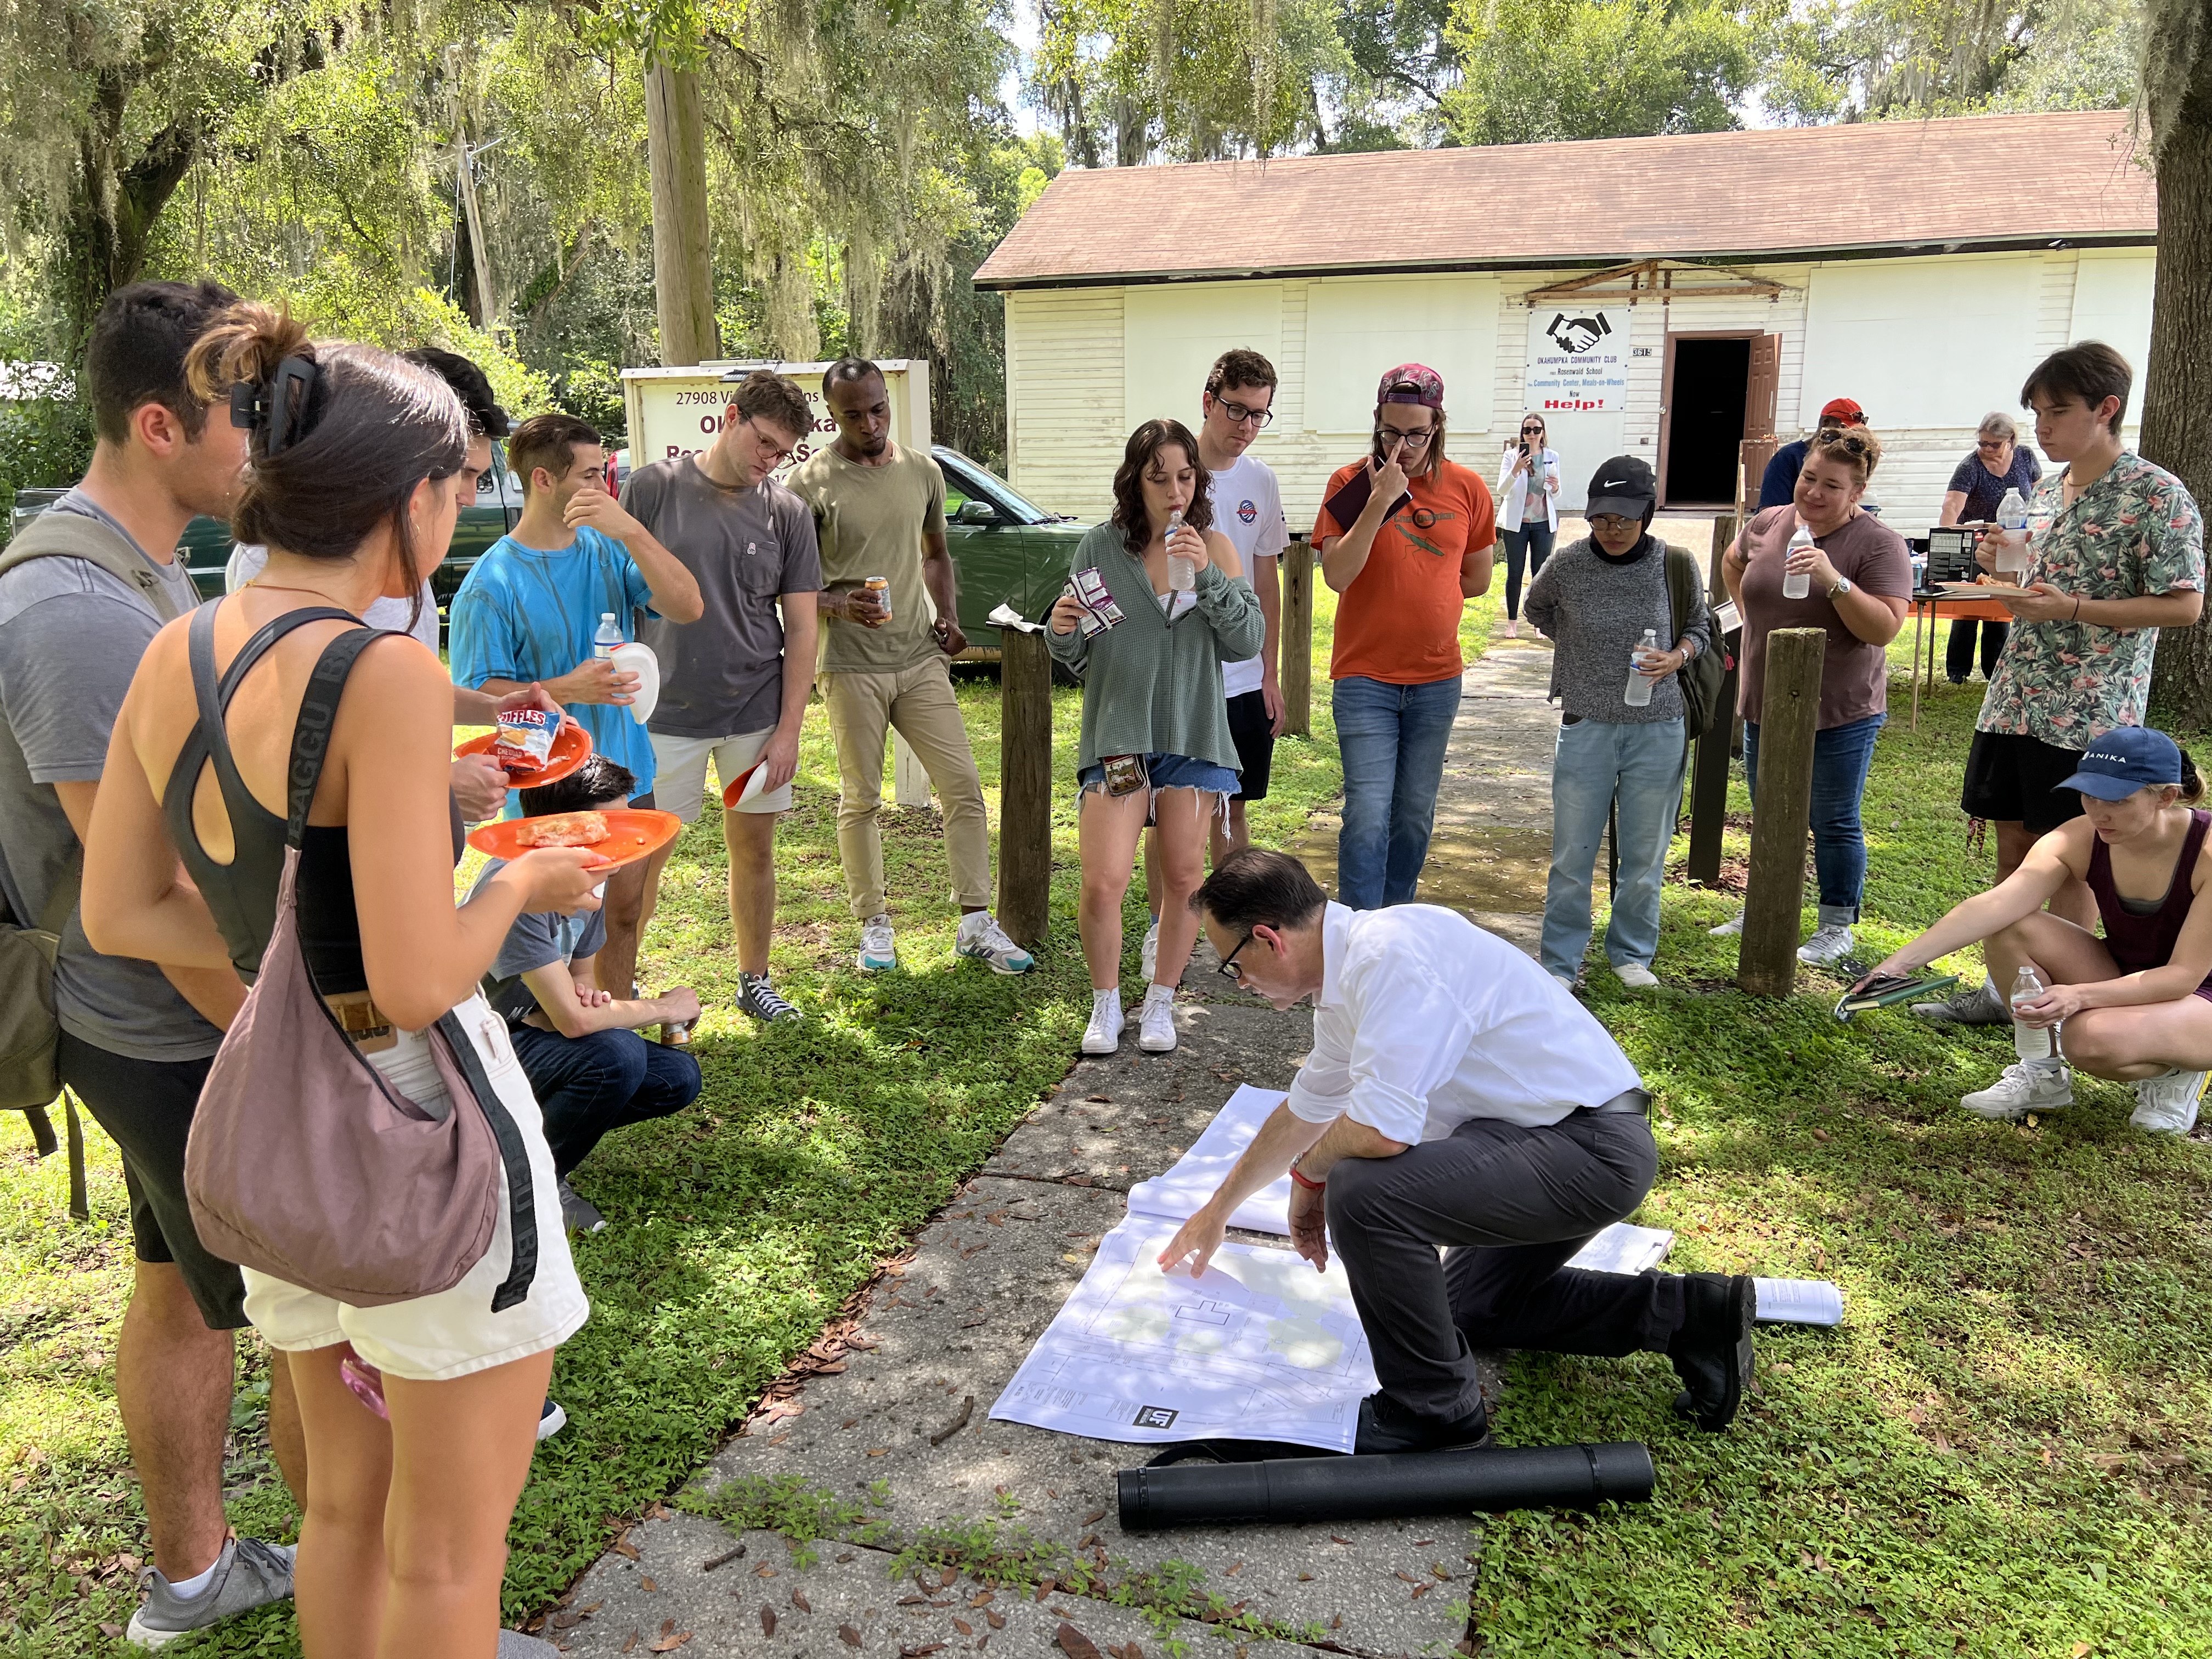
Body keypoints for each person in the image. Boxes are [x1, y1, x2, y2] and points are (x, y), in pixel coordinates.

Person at [81, 306, 595, 1659]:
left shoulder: (176, 647)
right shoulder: (387, 671)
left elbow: (122, 906)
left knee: (344, 1519)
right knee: (447, 1555)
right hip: (428, 1126)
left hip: (281, 1129)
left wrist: (281, 969)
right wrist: (523, 888)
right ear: (410, 501)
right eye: (458, 490)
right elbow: (423, 979)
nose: (460, 515)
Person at [0, 279, 306, 1645]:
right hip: (162, 1028)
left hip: (160, 1024)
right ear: (157, 425)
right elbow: (153, 890)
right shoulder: (75, 613)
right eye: (246, 418)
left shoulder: (135, 568)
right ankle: (364, 1593)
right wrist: (274, 1035)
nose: (266, 447)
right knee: (314, 1310)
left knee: (181, 1286)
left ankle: (191, 1577)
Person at [1159, 850, 1758, 1454]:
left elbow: (1380, 1132)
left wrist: (1310, 1180)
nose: (1241, 983)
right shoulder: (1347, 978)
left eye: (1232, 967)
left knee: (1366, 1195)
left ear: (1269, 939)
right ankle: (1688, 1314)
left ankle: (1434, 1414)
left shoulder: (1390, 957)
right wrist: (1217, 1210)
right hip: (1539, 1140)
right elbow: (1305, 1111)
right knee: (1464, 1308)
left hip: (1589, 1151)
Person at [1918, 342, 2205, 1027]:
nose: (2041, 428)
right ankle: (2007, 987)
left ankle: (2067, 998)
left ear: (2106, 410)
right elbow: (2032, 592)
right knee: (2017, 845)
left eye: (2057, 411)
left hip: (2088, 712)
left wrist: (2073, 608)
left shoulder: (2155, 495)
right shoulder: (2044, 492)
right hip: (2016, 697)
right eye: (2036, 413)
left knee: (2076, 855)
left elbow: (2185, 605)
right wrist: (2001, 573)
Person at [786, 358, 1031, 975]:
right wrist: (839, 603)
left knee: (963, 788)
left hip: (918, 656)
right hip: (848, 664)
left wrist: (949, 617)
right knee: (861, 797)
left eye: (877, 409)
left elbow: (937, 554)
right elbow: (781, 588)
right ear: (831, 414)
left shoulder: (922, 471)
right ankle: (873, 925)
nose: (868, 423)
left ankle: (976, 921)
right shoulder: (808, 484)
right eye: (852, 414)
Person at [450, 411, 704, 998]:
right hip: (546, 786)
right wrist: (566, 689)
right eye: (591, 475)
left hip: (625, 770)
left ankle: (614, 1020)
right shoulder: (492, 585)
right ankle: (557, 1031)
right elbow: (476, 698)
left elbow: (689, 606)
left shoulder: (607, 551)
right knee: (556, 919)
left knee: (623, 908)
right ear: (544, 480)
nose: (603, 487)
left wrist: (632, 533)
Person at [232, 347, 535, 826]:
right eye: (463, 474)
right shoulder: (343, 594)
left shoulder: (183, 642)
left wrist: (495, 709)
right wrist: (438, 786)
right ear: (415, 488)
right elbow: (290, 738)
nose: (469, 498)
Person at [1863, 729, 2212, 1133]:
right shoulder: (2081, 836)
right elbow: (1996, 905)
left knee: (2087, 1040)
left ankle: (2179, 1071)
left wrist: (2079, 996)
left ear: (2165, 797)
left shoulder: (2206, 851)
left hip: (2198, 993)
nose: (2099, 812)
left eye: (2117, 800)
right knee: (2010, 925)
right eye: (2089, 795)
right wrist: (1898, 964)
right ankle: (2043, 1076)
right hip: (2130, 975)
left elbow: (2183, 976)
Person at [1047, 418, 1261, 1057]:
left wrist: (1211, 577)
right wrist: (1061, 631)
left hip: (1192, 737)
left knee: (1183, 875)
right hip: (1120, 737)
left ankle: (1162, 1002)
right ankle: (1106, 1004)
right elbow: (1078, 657)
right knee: (1104, 878)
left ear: (1199, 481)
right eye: (1158, 476)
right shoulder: (1100, 548)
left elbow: (1246, 642)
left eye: (1185, 476)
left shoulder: (1215, 547)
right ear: (1133, 481)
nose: (1174, 490)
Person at [622, 370, 822, 1024]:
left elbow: (802, 627)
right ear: (731, 418)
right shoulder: (653, 486)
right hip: (663, 715)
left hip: (755, 715)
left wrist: (789, 730)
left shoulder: (787, 512)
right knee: (639, 866)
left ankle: (754, 980)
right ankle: (618, 995)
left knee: (756, 850)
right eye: (764, 442)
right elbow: (616, 594)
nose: (770, 460)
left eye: (782, 452)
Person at [468, 757, 704, 1233]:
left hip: (533, 1033)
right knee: (615, 1057)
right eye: (607, 826)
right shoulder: (516, 885)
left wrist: (583, 1007)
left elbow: (584, 994)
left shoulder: (591, 875)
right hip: (479, 1047)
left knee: (677, 1077)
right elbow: (576, 1022)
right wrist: (663, 1008)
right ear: (555, 830)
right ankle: (528, 1184)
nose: (620, 840)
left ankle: (515, 1144)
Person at [1718, 426, 1912, 964]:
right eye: (1809, 478)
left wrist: (1833, 579)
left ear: (1856, 492)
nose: (1814, 493)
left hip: (1840, 708)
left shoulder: (1878, 544)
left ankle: (1835, 926)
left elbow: (1884, 628)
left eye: (1832, 485)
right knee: (1771, 809)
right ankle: (1764, 905)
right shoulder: (1770, 522)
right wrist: (1753, 616)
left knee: (1832, 818)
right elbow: (1735, 563)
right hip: (1767, 699)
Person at [1313, 364, 1497, 910]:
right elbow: (1338, 575)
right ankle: (1359, 934)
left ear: (1437, 426)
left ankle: (1396, 924)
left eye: (1416, 433)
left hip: (1436, 680)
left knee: (1414, 813)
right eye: (1391, 433)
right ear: (1378, 425)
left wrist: (1425, 590)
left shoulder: (1467, 488)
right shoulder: (1350, 484)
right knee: (1367, 811)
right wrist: (1379, 499)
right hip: (1364, 677)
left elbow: (1479, 579)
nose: (1403, 446)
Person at [1524, 456, 1711, 991]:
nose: (1611, 530)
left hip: (1658, 726)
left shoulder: (1676, 565)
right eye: (1602, 518)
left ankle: (1631, 954)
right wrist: (1577, 650)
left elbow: (1699, 626)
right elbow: (1538, 609)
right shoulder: (1568, 564)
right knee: (1572, 854)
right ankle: (1560, 963)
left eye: (1624, 520)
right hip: (1587, 725)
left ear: (1647, 515)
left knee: (1644, 852)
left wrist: (1676, 657)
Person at [1136, 347, 1290, 983]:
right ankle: (1157, 931)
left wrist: (1272, 672)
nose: (1245, 425)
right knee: (1165, 810)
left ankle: (1231, 935)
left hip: (1241, 680)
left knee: (1233, 810)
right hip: (1175, 680)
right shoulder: (1170, 468)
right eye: (1235, 409)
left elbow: (1266, 582)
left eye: (1259, 415)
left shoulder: (1260, 482)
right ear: (1208, 401)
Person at [1938, 412, 2042, 685]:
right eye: (1982, 443)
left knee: (2001, 604)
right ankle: (1957, 670)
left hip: (2013, 542)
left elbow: (2041, 495)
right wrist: (1945, 541)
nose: (1986, 449)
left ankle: (1994, 670)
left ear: (2011, 441)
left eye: (1993, 444)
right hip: (1976, 543)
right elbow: (1952, 505)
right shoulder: (1970, 466)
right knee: (1968, 607)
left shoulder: (2026, 458)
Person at [1495, 413, 1561, 640]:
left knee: (1540, 574)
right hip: (1517, 524)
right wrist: (1516, 469)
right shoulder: (1511, 456)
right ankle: (1512, 622)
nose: (1531, 434)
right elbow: (1502, 491)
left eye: (1536, 430)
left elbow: (1556, 494)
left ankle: (1538, 623)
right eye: (1527, 430)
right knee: (1515, 573)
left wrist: (1555, 487)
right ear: (1522, 432)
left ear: (1543, 432)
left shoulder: (1552, 456)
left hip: (1543, 524)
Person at [1757, 397, 1866, 511]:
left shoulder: (1850, 461)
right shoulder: (1788, 457)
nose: (1848, 438)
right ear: (1826, 423)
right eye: (1809, 478)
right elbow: (1770, 513)